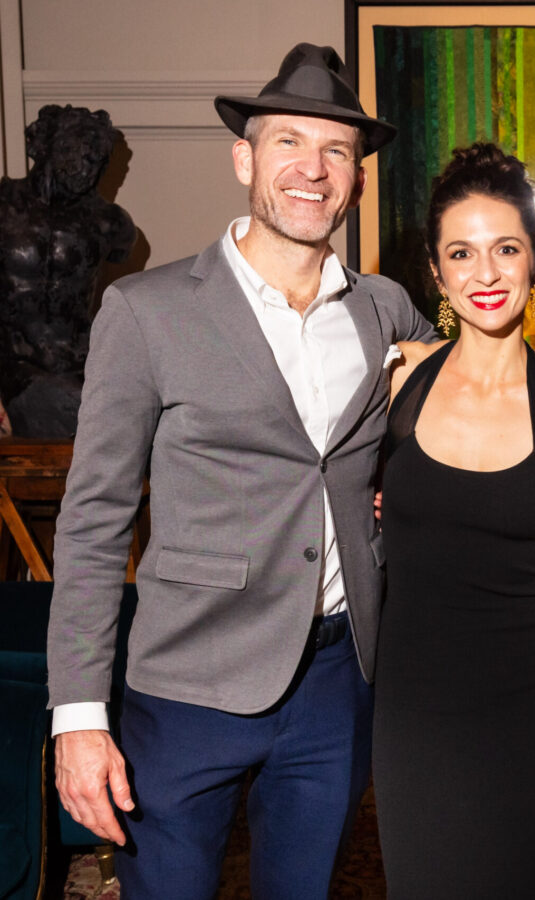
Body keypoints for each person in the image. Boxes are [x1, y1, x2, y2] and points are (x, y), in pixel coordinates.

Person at [47, 43, 435, 899]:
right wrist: (78, 717)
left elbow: (460, 423)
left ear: (359, 178)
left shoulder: (386, 311)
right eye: (289, 142)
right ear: (243, 159)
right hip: (188, 687)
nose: (314, 168)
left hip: (339, 683)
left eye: (338, 150)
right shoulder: (145, 312)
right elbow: (92, 520)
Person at [372, 142, 535, 898]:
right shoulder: (400, 374)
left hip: (530, 705)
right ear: (436, 273)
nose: (486, 273)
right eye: (461, 254)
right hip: (413, 710)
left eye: (506, 249)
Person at [0, 103, 135, 436]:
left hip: (83, 364)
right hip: (14, 370)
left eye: (99, 153)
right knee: (78, 408)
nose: (91, 160)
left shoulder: (110, 223)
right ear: (45, 145)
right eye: (80, 145)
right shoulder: (3, 204)